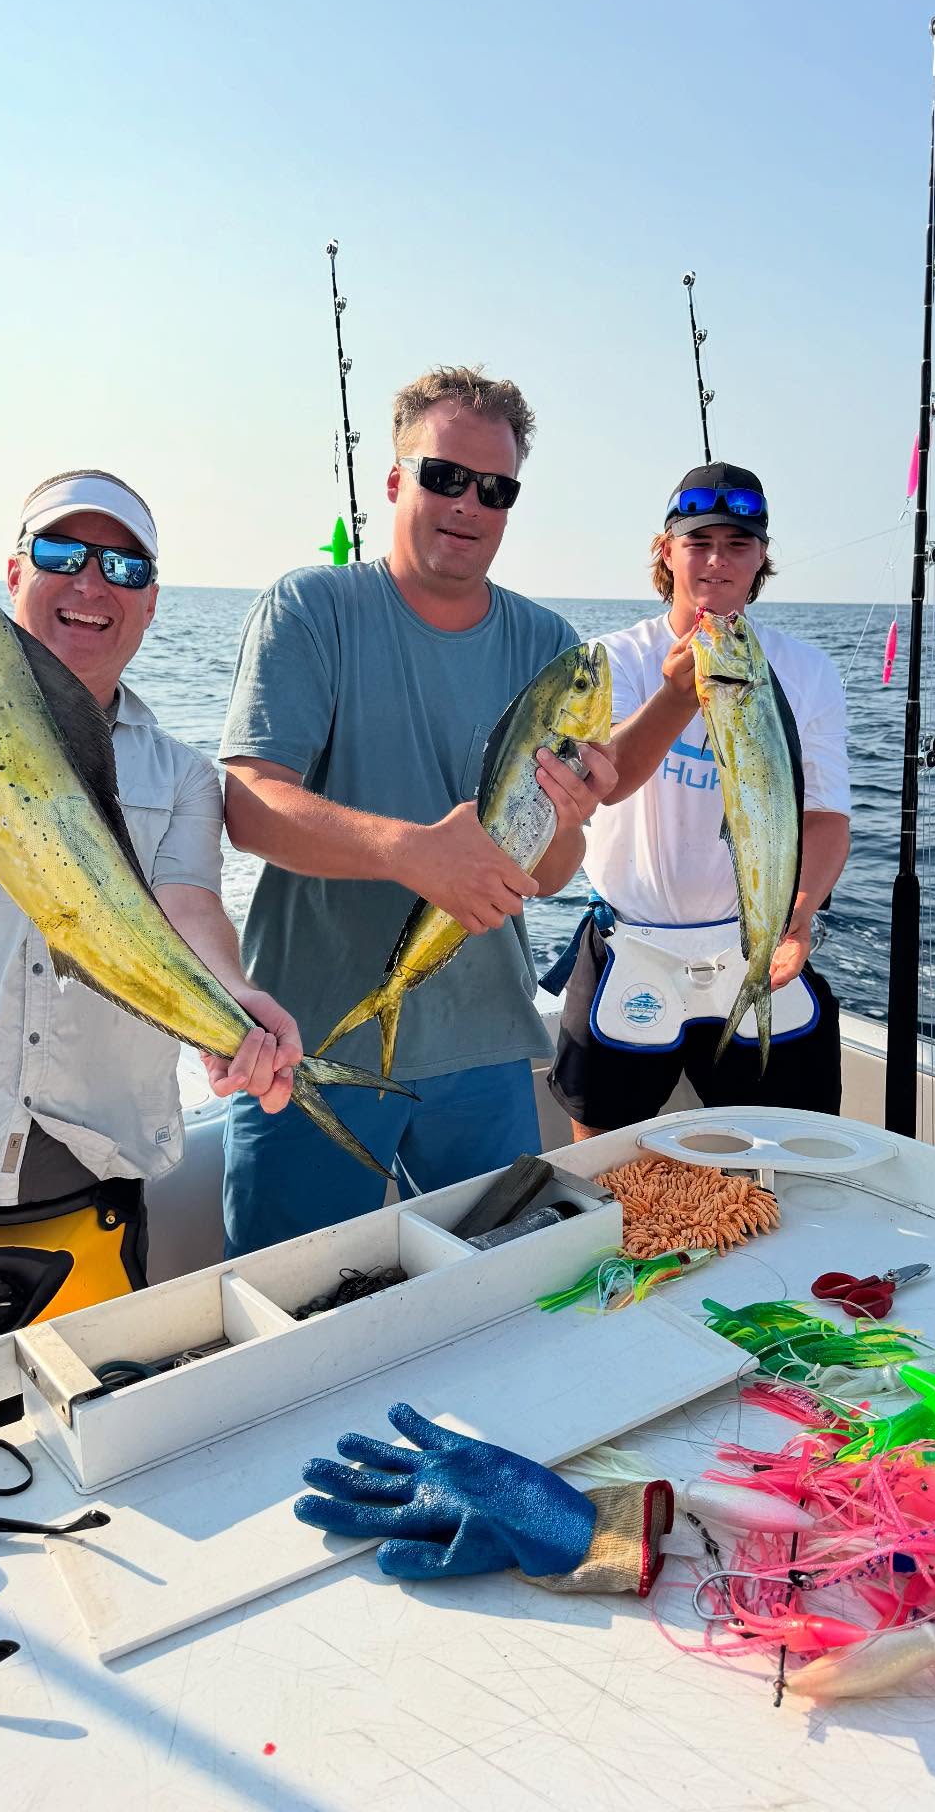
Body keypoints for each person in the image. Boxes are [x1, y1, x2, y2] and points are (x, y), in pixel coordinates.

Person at [0, 469, 300, 1377]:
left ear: (151, 602)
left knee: (91, 1452)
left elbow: (188, 907)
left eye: (124, 565)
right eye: (62, 553)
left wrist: (234, 1004)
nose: (92, 581)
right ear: (14, 575)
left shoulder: (183, 775)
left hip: (92, 1185)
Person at [221, 365, 617, 1253]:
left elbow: (550, 872)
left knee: (500, 1298)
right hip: (309, 1043)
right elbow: (249, 806)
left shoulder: (551, 647)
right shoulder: (310, 607)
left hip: (486, 1044)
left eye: (496, 489)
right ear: (396, 481)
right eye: (444, 476)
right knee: (298, 1312)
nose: (469, 504)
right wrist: (408, 852)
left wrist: (568, 816)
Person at [547, 460, 851, 1138]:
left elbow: (827, 818)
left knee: (794, 1150)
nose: (718, 561)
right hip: (630, 943)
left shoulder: (807, 671)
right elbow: (607, 783)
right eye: (699, 542)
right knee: (600, 1160)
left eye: (739, 544)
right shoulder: (610, 659)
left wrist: (797, 918)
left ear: (762, 557)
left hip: (753, 944)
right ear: (666, 551)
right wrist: (678, 693)